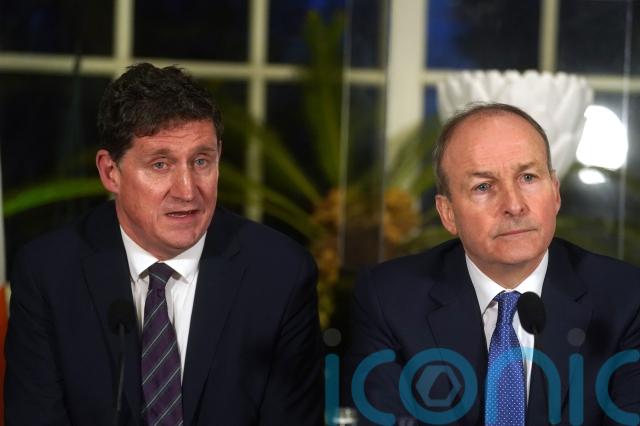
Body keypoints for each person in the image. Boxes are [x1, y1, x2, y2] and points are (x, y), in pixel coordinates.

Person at [5, 63, 324, 425]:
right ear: (110, 172)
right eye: (160, 164)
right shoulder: (49, 273)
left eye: (201, 161)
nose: (187, 191)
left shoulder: (280, 274)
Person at [344, 103, 640, 425]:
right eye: (483, 186)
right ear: (448, 213)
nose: (514, 205)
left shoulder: (626, 299)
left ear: (555, 193)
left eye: (528, 177)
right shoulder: (388, 299)